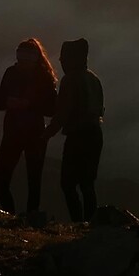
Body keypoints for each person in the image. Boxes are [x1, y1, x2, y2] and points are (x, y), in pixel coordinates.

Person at [0, 37, 58, 218]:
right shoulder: (34, 75)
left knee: (31, 178)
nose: (22, 63)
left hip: (29, 132)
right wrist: (9, 102)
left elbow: (52, 108)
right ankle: (16, 214)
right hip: (24, 131)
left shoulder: (41, 77)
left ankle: (24, 215)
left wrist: (27, 104)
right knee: (7, 177)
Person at [44, 37, 104, 223]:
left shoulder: (70, 80)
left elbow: (62, 114)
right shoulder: (93, 78)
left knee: (68, 183)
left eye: (63, 58)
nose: (61, 62)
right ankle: (90, 223)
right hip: (95, 134)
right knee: (87, 184)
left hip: (78, 137)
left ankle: (79, 222)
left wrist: (46, 134)